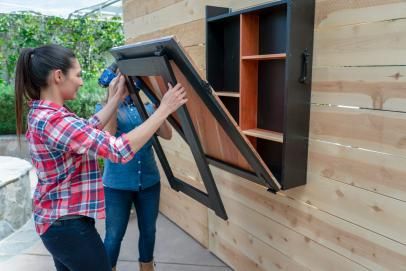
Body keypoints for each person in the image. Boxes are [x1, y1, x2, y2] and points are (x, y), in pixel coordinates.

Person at [14, 44, 187, 271]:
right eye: (78, 75)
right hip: (67, 226)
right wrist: (164, 109)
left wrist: (114, 99)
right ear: (58, 76)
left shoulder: (47, 115)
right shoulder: (54, 120)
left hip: (59, 222)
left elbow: (87, 129)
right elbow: (117, 150)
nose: (81, 81)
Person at [95, 75, 171, 271]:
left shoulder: (145, 107)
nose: (130, 85)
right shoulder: (102, 110)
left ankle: (146, 268)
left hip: (149, 182)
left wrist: (159, 109)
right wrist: (115, 99)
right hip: (116, 185)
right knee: (114, 234)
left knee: (148, 231)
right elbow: (109, 137)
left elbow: (167, 135)